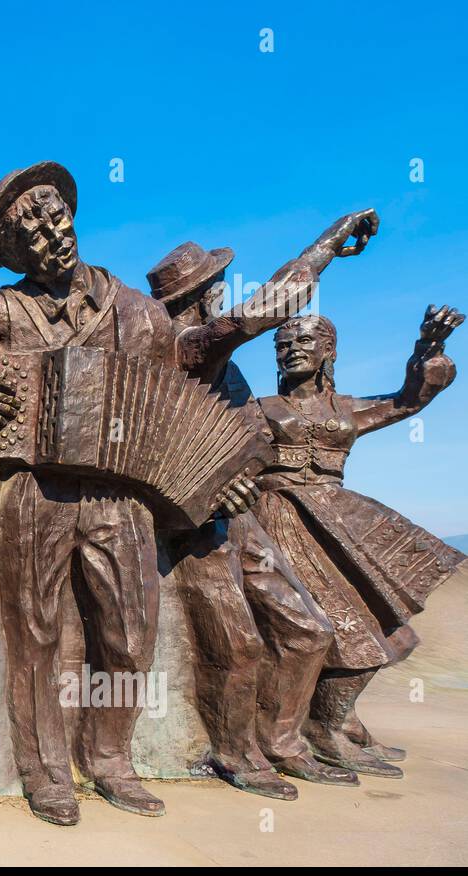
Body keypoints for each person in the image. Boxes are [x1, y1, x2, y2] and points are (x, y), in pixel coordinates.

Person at [0, 162, 260, 824]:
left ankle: (109, 758)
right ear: (15, 250)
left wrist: (218, 473)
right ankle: (45, 769)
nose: (52, 234)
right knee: (35, 632)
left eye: (56, 217)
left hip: (122, 494)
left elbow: (189, 381)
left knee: (130, 634)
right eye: (32, 232)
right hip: (36, 489)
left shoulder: (137, 312)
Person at [148, 211, 386, 796]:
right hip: (194, 527)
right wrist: (327, 245)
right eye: (214, 290)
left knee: (308, 631)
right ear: (199, 299)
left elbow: (249, 440)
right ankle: (237, 754)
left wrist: (243, 477)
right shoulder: (188, 347)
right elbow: (270, 305)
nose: (221, 298)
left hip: (240, 515)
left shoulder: (225, 370)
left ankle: (284, 742)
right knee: (239, 643)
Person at [254, 308, 464, 776]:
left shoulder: (346, 408)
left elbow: (408, 401)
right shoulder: (258, 408)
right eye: (283, 344)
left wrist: (427, 346)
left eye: (304, 342)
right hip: (279, 519)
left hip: (337, 520)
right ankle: (321, 730)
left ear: (329, 350)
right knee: (338, 629)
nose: (291, 350)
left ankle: (340, 719)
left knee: (397, 635)